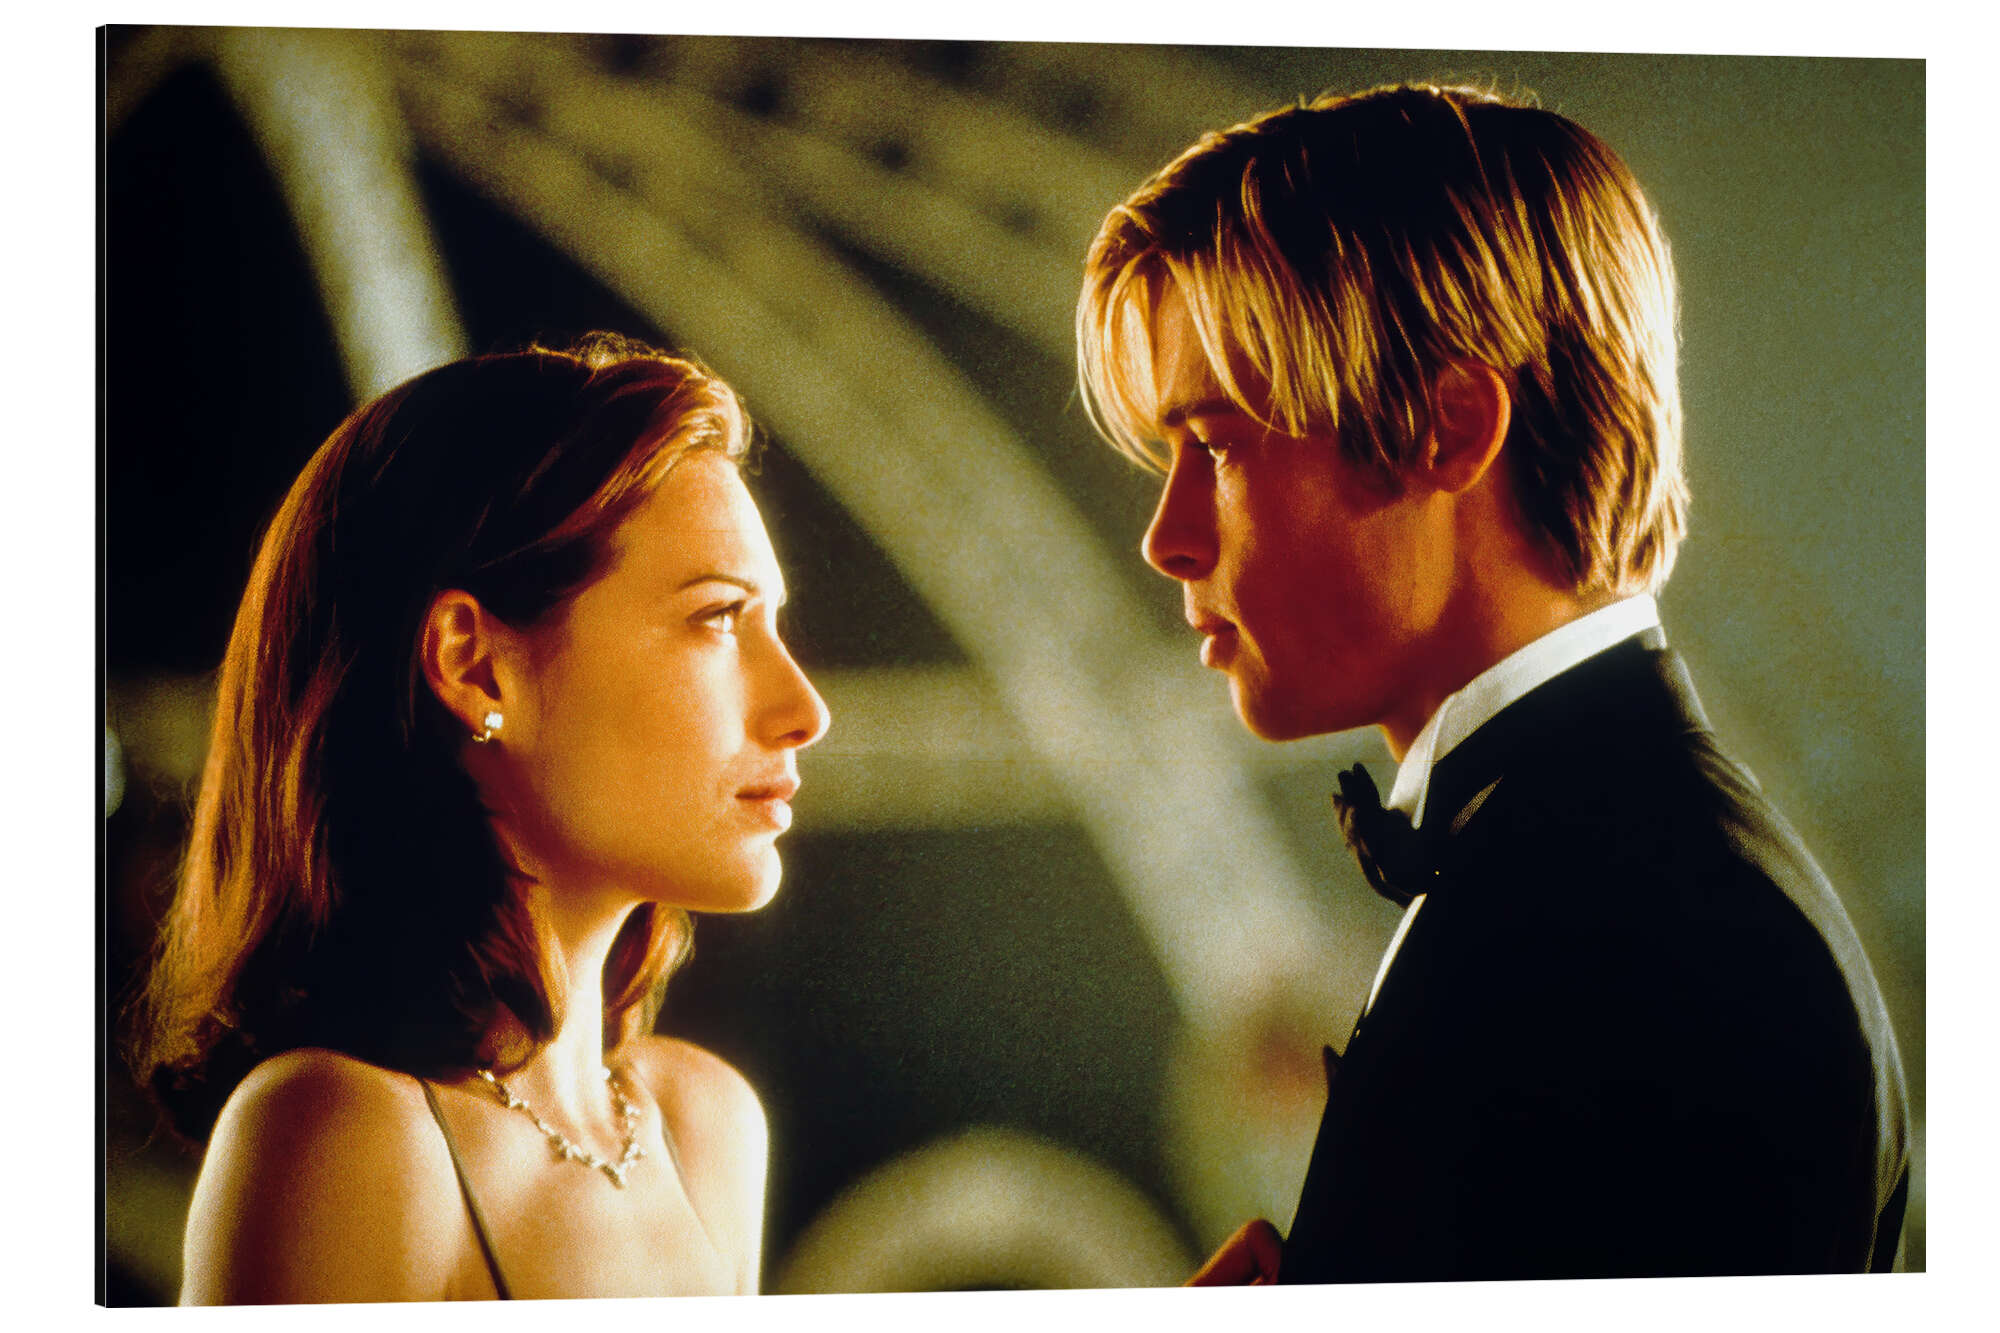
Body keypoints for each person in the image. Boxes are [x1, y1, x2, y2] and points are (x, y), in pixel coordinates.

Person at [1076, 83, 1908, 1281]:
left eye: (1213, 446)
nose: (1165, 537)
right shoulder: (1617, 880)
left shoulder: (1633, 928)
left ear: (1450, 427)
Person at [128, 334, 830, 1301]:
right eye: (717, 618)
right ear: (474, 665)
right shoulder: (341, 1136)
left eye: (773, 622)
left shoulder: (708, 1128)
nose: (805, 708)